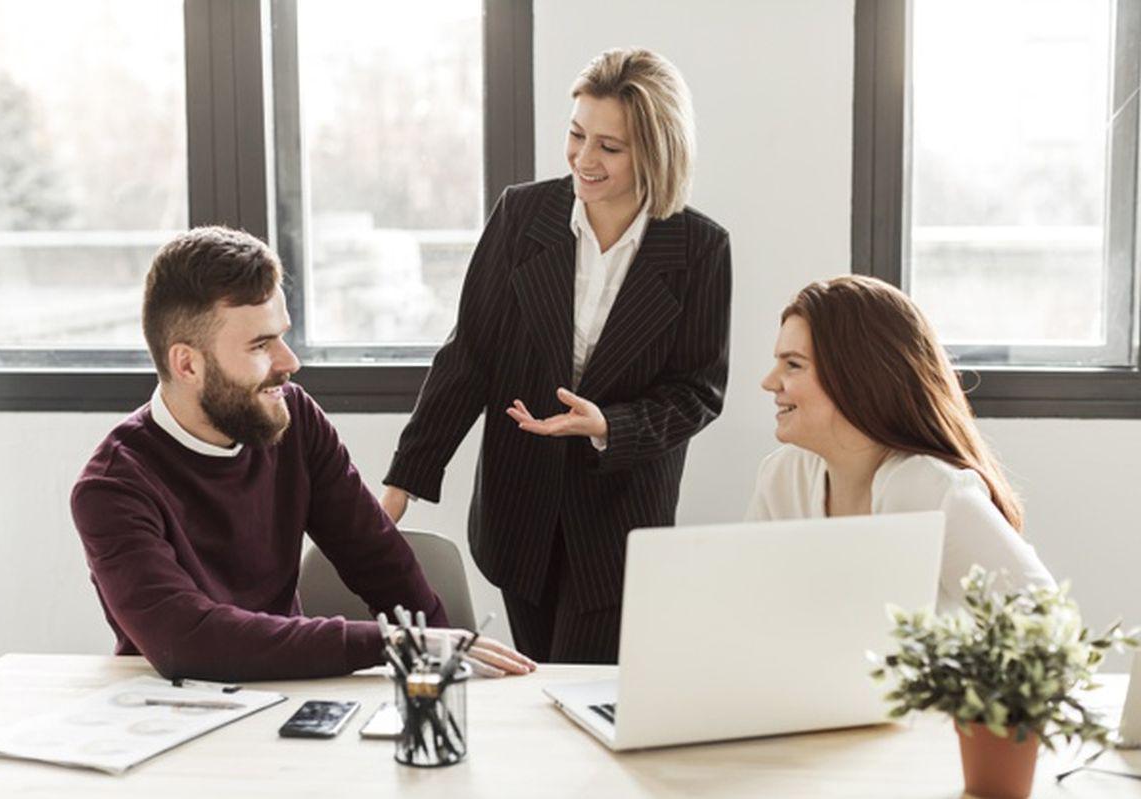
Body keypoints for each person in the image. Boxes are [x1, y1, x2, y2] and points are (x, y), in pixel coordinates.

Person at [381, 48, 732, 663]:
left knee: (582, 689)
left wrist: (608, 426)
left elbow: (698, 391)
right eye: (576, 135)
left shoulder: (699, 247)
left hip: (620, 516)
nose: (584, 159)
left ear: (656, 151)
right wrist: (403, 481)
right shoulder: (522, 216)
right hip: (520, 511)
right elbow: (470, 356)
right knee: (536, 683)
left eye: (610, 147)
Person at [70, 226, 534, 681]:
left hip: (289, 691)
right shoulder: (111, 488)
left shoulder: (294, 417)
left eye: (282, 336)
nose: (290, 362)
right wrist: (393, 642)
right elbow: (186, 639)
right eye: (260, 345)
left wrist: (444, 663)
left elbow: (377, 558)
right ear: (188, 364)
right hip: (176, 709)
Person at [746, 275, 1054, 610]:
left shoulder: (930, 489)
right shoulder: (782, 476)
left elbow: (1044, 617)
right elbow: (747, 602)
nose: (769, 382)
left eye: (793, 365)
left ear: (857, 377)